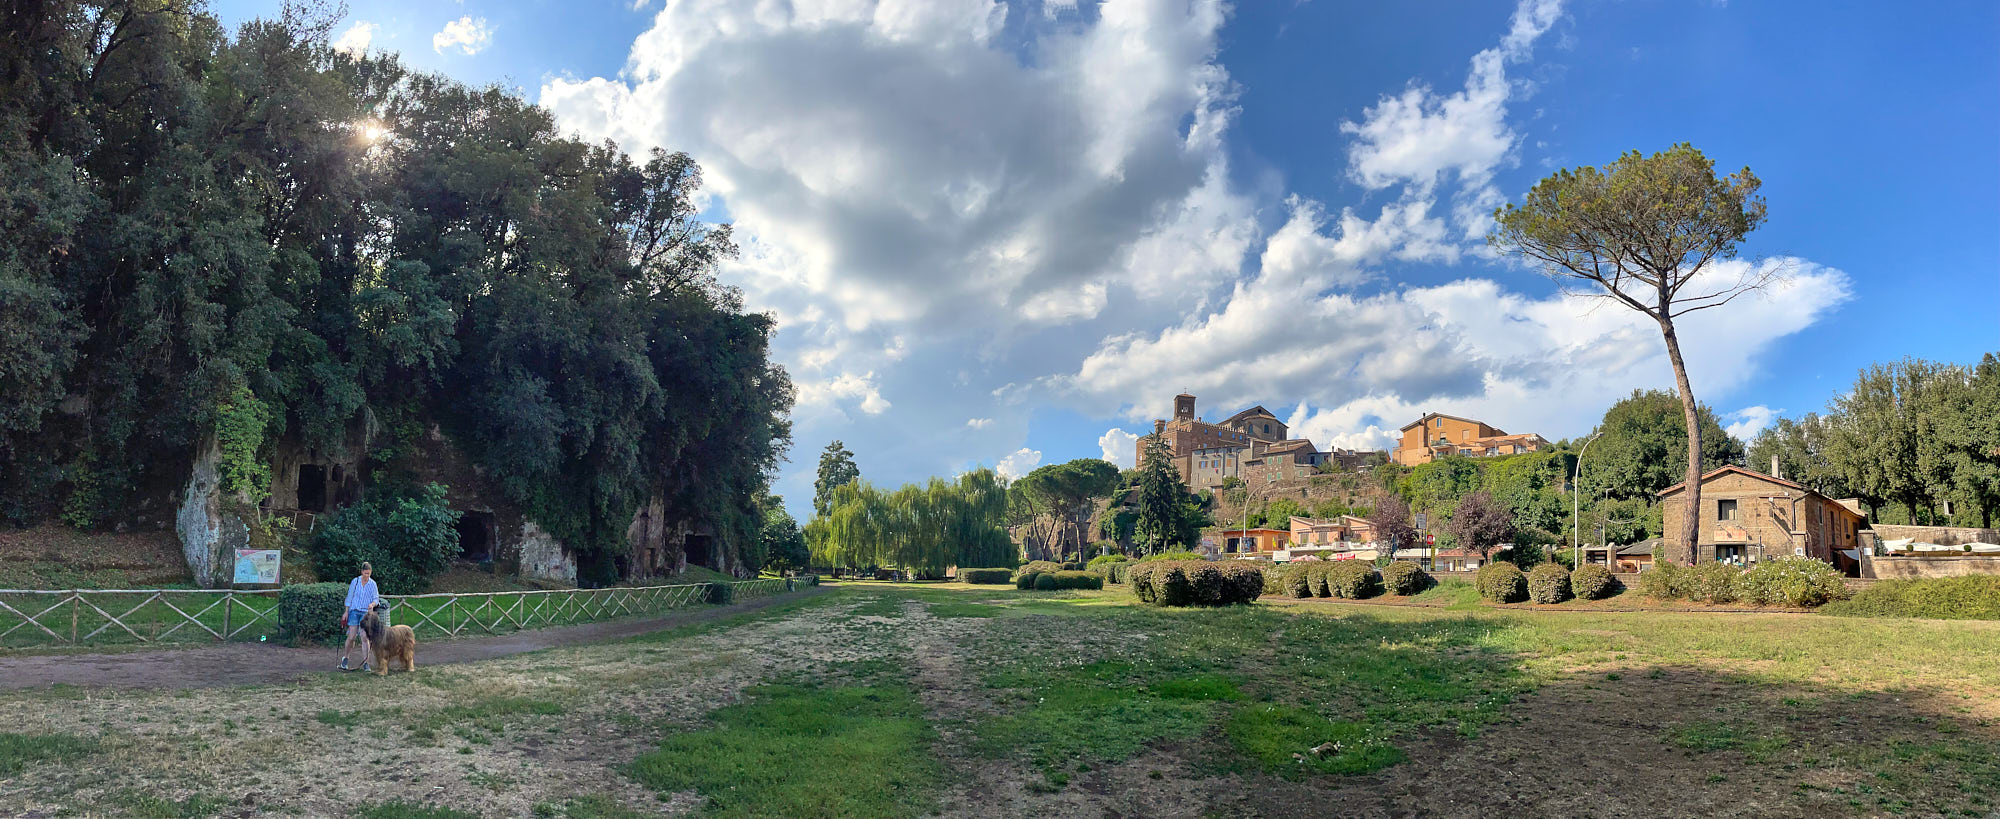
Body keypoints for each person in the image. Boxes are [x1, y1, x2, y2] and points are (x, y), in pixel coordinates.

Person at [338, 562, 380, 672]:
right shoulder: (355, 582)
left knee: (364, 637)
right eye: (365, 573)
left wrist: (372, 604)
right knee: (351, 636)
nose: (367, 576)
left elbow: (376, 599)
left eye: (369, 574)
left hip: (365, 613)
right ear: (362, 572)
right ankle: (345, 658)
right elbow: (349, 597)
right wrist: (346, 612)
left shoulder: (372, 584)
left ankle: (366, 662)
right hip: (354, 611)